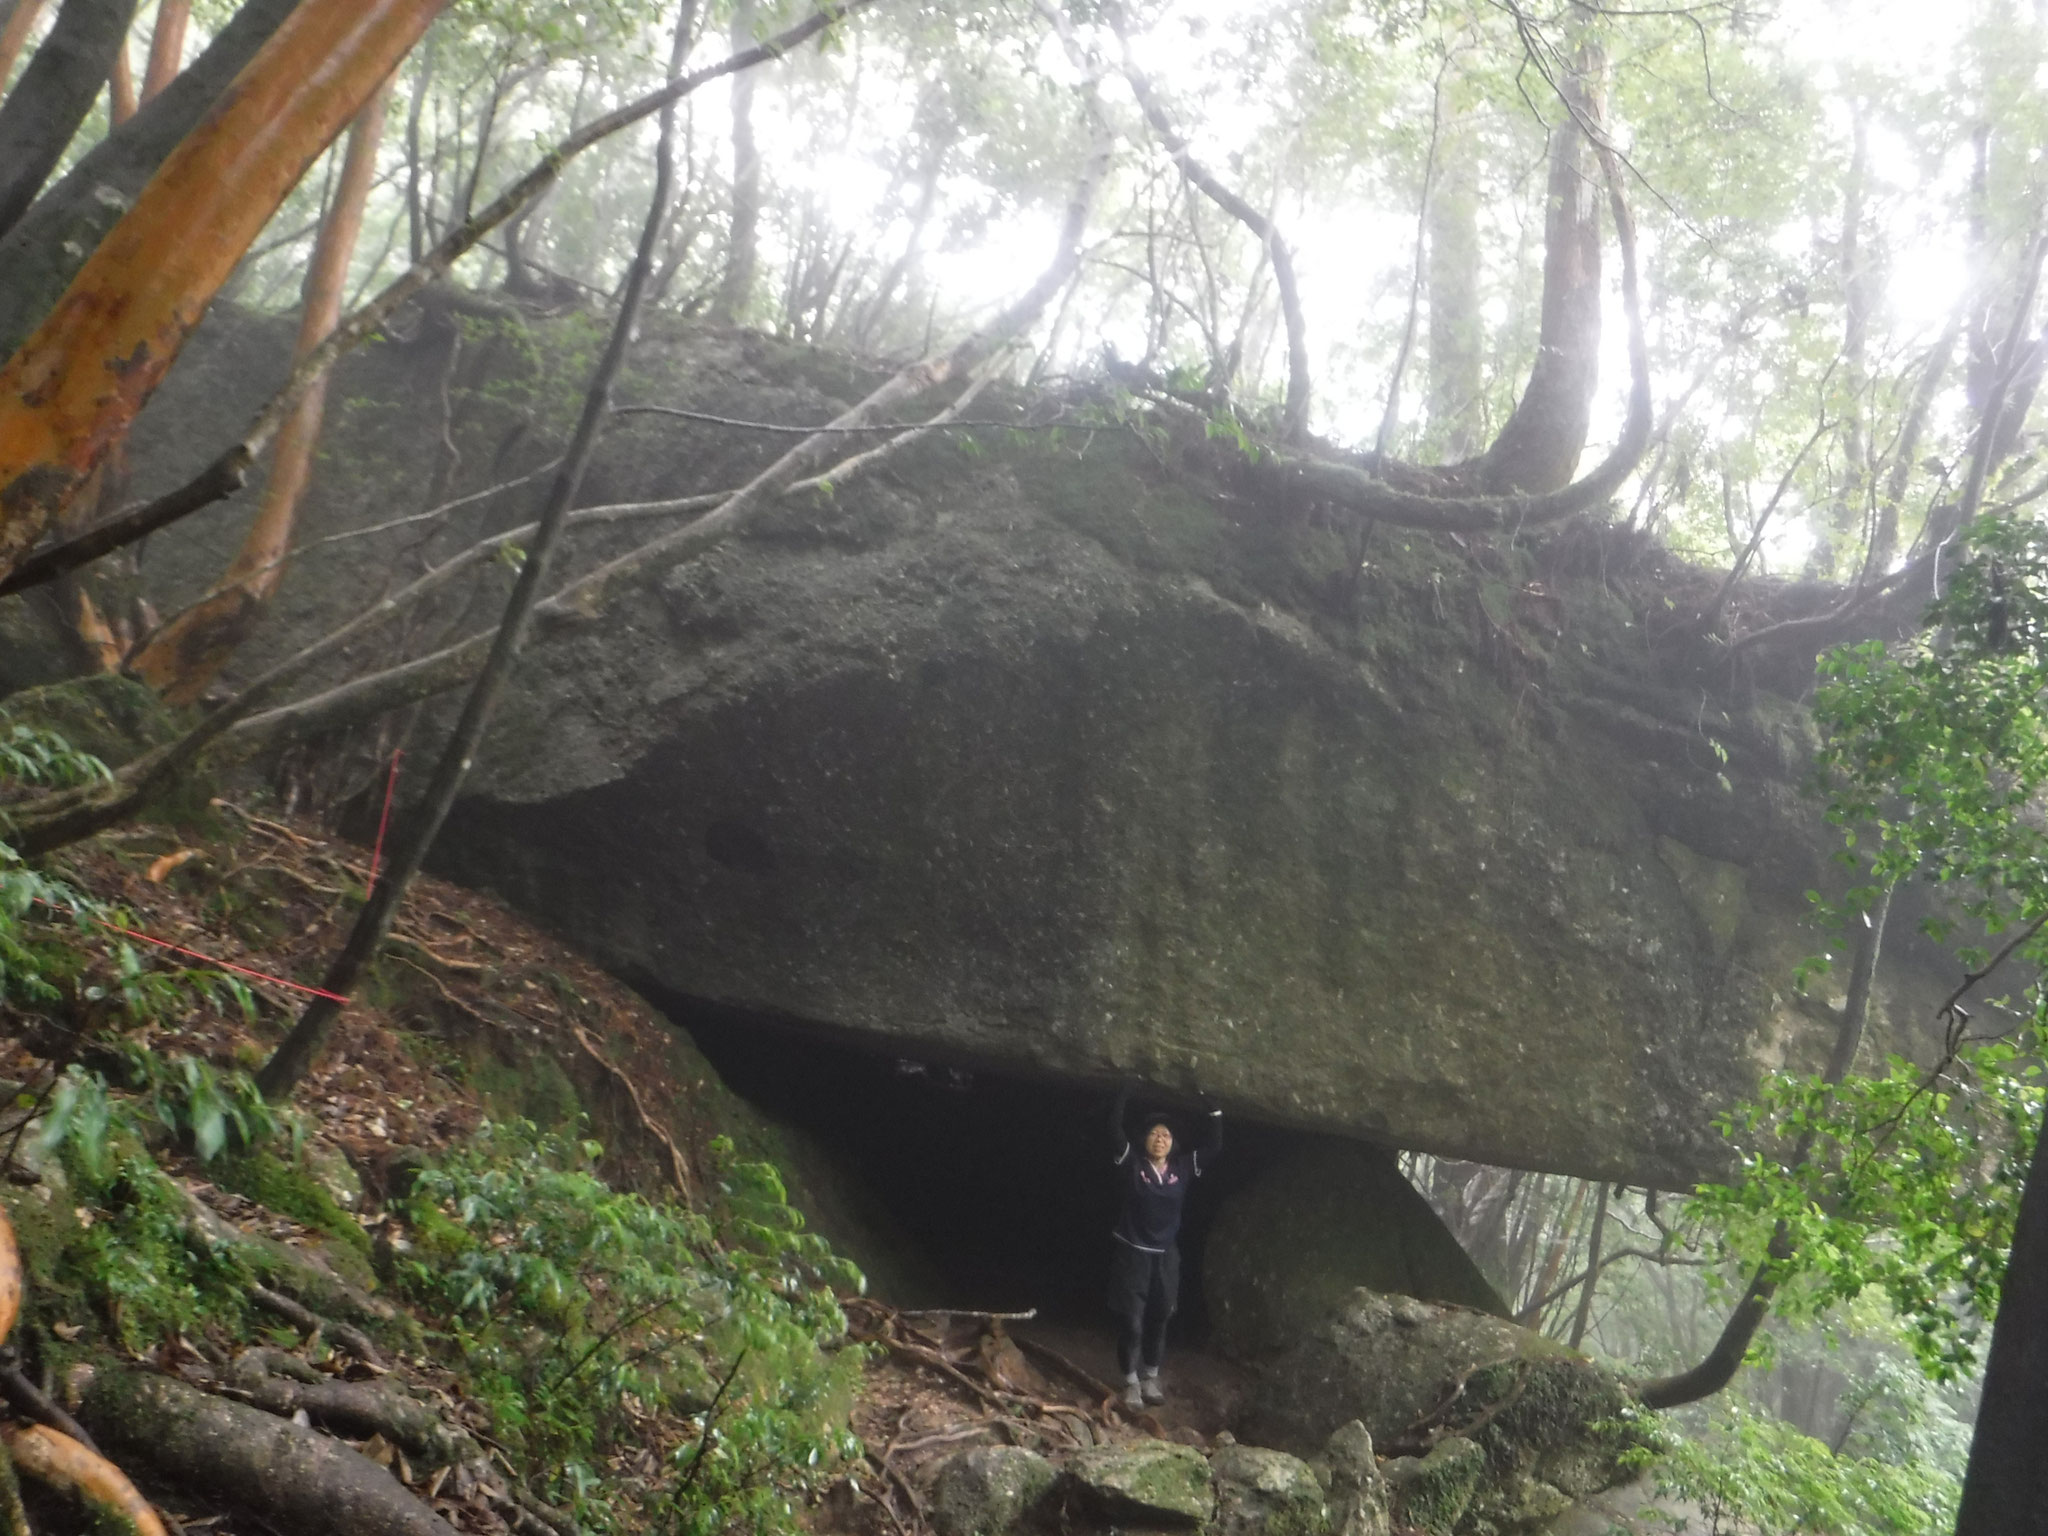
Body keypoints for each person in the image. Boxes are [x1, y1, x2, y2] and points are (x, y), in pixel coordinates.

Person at [1106, 1084, 1221, 1410]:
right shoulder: (1134, 1166)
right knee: (1132, 1320)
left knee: (1160, 1316)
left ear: (1173, 1144)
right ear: (1145, 1140)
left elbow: (1214, 1146)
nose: (1160, 1138)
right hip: (1133, 1253)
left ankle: (1150, 1377)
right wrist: (1124, 1093)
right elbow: (1114, 1130)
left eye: (1166, 1135)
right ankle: (1129, 1381)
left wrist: (1214, 1112)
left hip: (1166, 1256)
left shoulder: (1182, 1168)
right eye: (1155, 1133)